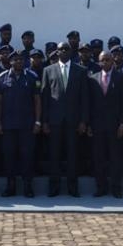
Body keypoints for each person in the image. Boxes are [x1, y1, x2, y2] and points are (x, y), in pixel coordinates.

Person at [41, 42, 89, 197]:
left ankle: (72, 187)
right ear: (57, 52)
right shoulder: (48, 70)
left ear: (71, 52)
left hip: (73, 120)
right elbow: (45, 97)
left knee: (72, 155)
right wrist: (44, 121)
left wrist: (83, 121)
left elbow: (84, 98)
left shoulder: (81, 70)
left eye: (66, 49)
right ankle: (53, 187)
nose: (63, 51)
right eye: (61, 49)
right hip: (54, 120)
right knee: (54, 154)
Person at [0, 50, 41, 197]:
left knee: (27, 156)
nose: (18, 62)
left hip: (27, 125)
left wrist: (37, 121)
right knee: (9, 157)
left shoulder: (32, 77)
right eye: (15, 60)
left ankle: (28, 186)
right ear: (10, 62)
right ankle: (10, 186)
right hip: (8, 126)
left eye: (21, 59)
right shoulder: (2, 77)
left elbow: (37, 100)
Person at [89, 51, 123, 198]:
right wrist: (89, 124)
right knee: (98, 158)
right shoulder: (92, 78)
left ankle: (116, 188)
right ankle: (101, 187)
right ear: (98, 62)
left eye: (107, 60)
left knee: (115, 158)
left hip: (115, 125)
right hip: (97, 126)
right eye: (102, 60)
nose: (105, 62)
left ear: (112, 61)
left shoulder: (121, 78)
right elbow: (89, 104)